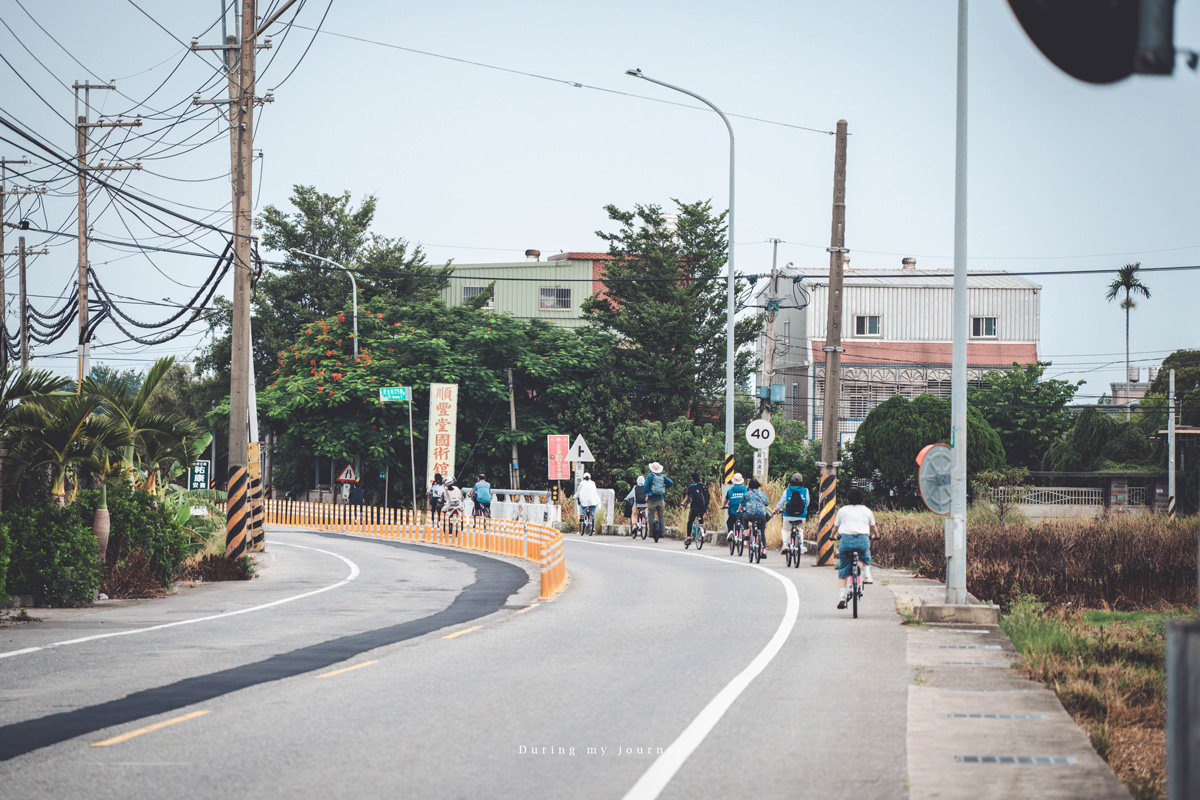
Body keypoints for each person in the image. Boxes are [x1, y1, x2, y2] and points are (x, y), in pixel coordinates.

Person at [832, 486, 880, 608]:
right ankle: (867, 575)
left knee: (843, 566)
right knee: (865, 554)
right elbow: (873, 527)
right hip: (862, 539)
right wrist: (876, 536)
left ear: (848, 498)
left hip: (846, 540)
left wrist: (832, 536)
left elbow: (835, 527)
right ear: (862, 499)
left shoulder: (842, 510)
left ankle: (842, 595)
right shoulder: (867, 511)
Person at [775, 472, 810, 554]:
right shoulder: (805, 490)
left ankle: (785, 545)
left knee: (786, 530)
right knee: (799, 529)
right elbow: (807, 502)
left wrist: (777, 509)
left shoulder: (787, 491)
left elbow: (781, 502)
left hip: (788, 515)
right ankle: (801, 545)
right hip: (801, 515)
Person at [740, 477, 771, 559]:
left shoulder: (747, 494)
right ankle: (764, 551)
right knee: (762, 532)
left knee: (744, 517)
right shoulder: (762, 493)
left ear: (749, 486)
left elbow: (742, 503)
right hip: (761, 515)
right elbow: (767, 502)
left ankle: (746, 532)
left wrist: (739, 510)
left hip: (750, 514)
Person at [643, 462, 674, 541]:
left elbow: (646, 487)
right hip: (660, 499)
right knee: (661, 516)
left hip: (652, 499)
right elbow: (671, 483)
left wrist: (648, 494)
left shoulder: (650, 476)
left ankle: (651, 533)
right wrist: (664, 487)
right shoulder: (662, 476)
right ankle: (662, 533)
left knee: (651, 516)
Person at [680, 472, 709, 548]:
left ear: (692, 479)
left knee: (690, 522)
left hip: (695, 507)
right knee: (700, 516)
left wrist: (683, 503)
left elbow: (687, 497)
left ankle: (688, 538)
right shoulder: (704, 486)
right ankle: (702, 528)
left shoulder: (691, 487)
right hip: (704, 507)